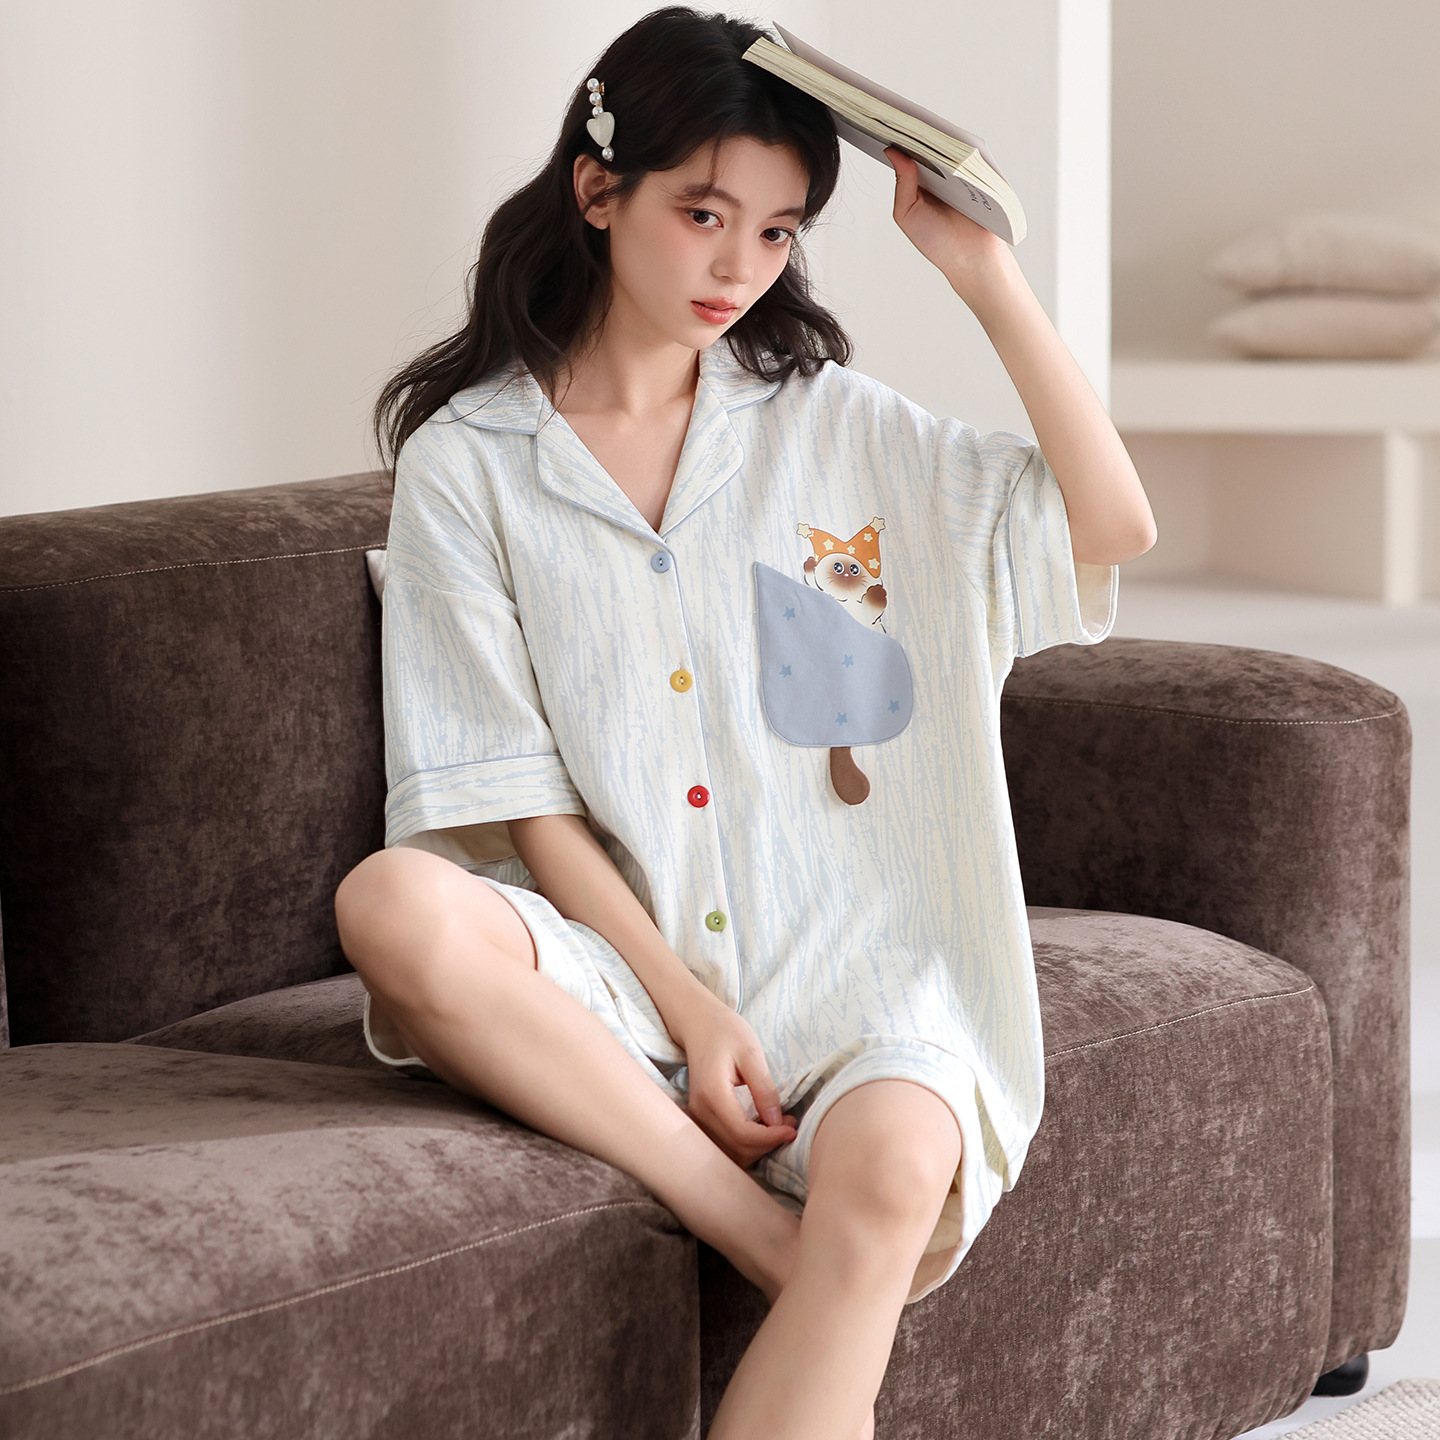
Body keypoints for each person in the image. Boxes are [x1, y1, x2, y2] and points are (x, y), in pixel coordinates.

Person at [335, 7, 1156, 1437]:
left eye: (777, 232)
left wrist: (984, 274)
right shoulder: (472, 463)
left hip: (864, 971)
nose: (738, 266)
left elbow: (1111, 526)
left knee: (894, 1173)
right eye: (704, 214)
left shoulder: (833, 424)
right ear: (600, 190)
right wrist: (686, 1004)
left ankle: (817, 1241)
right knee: (394, 903)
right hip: (618, 973)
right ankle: (754, 1231)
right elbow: (521, 795)